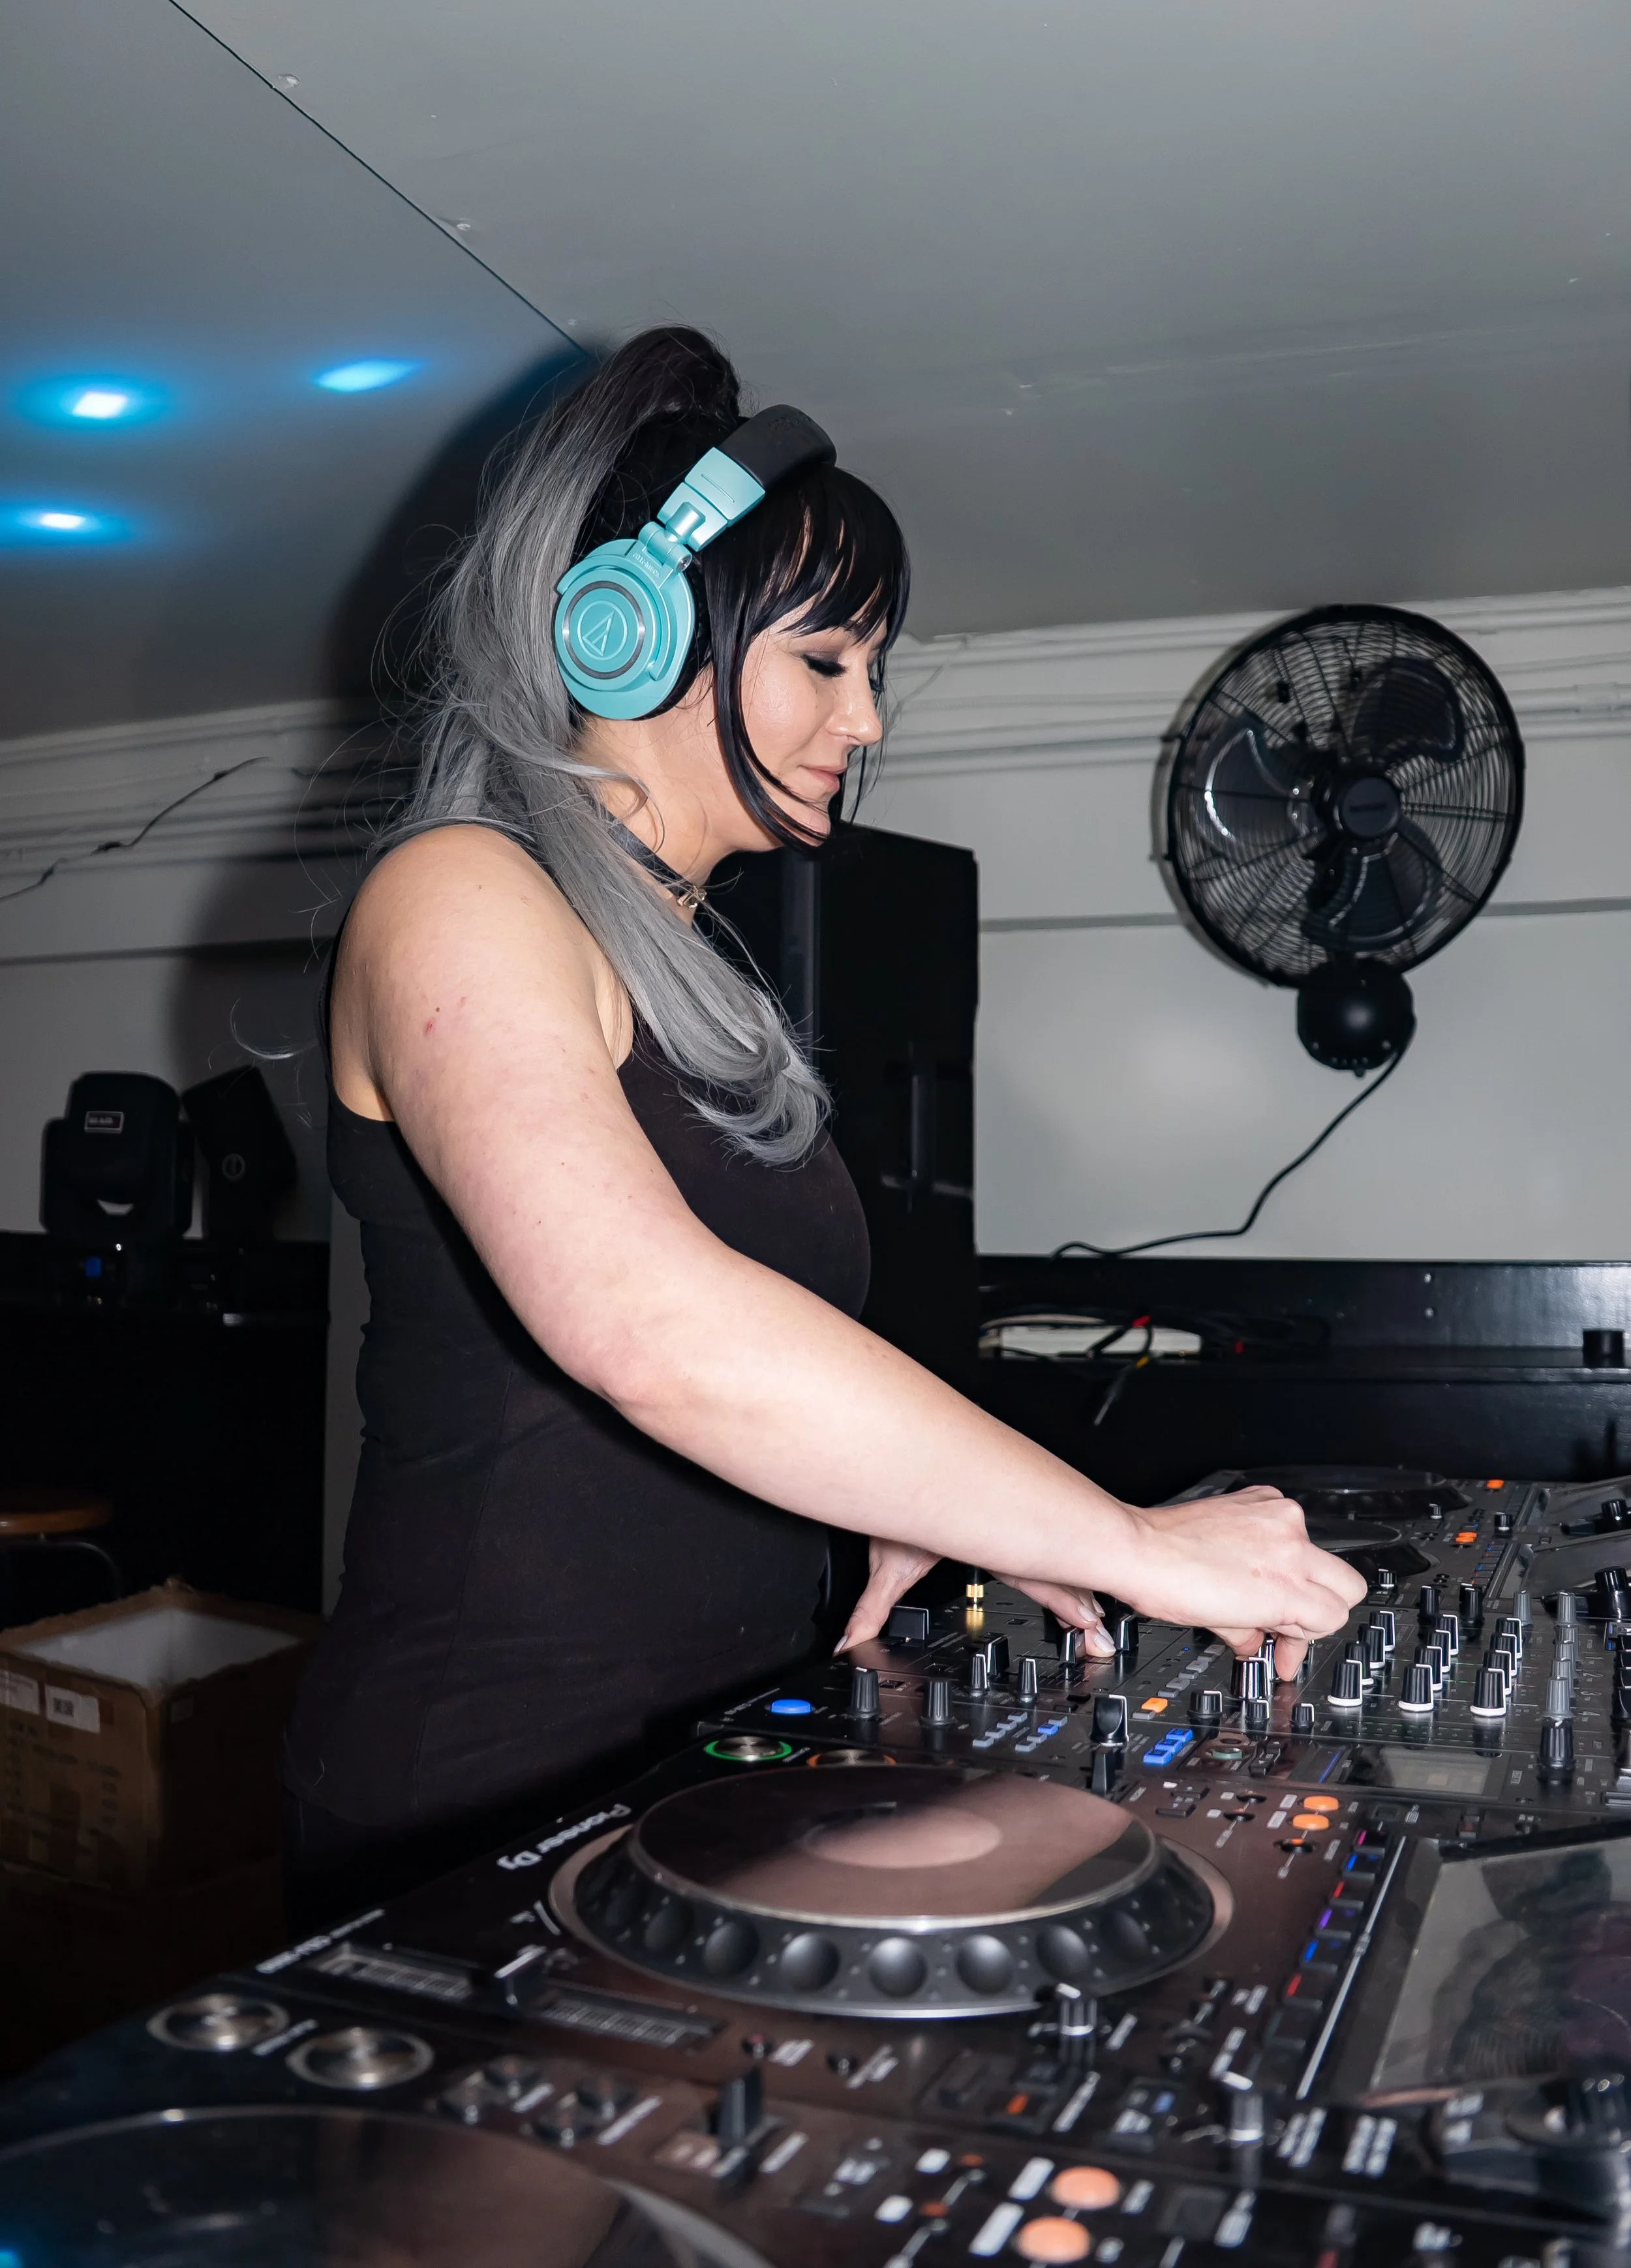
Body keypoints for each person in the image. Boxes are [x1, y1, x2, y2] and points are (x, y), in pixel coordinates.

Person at [282, 326, 1364, 1924]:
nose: (864, 722)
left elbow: (753, 1348)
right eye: (823, 660)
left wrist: (933, 1495)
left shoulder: (684, 952)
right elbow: (645, 1324)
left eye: (873, 670)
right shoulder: (459, 894)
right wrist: (1128, 1538)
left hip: (707, 1764)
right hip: (477, 1791)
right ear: (623, 633)